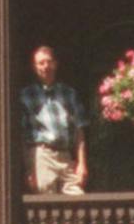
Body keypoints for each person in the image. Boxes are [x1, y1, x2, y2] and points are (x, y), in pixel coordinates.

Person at [20, 43, 88, 196]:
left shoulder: (69, 93)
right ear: (34, 67)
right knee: (47, 204)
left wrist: (82, 164)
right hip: (42, 155)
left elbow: (79, 130)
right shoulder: (26, 95)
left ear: (55, 64)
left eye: (49, 61)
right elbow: (22, 136)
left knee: (78, 199)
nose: (46, 66)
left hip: (65, 155)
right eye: (41, 63)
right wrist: (29, 169)